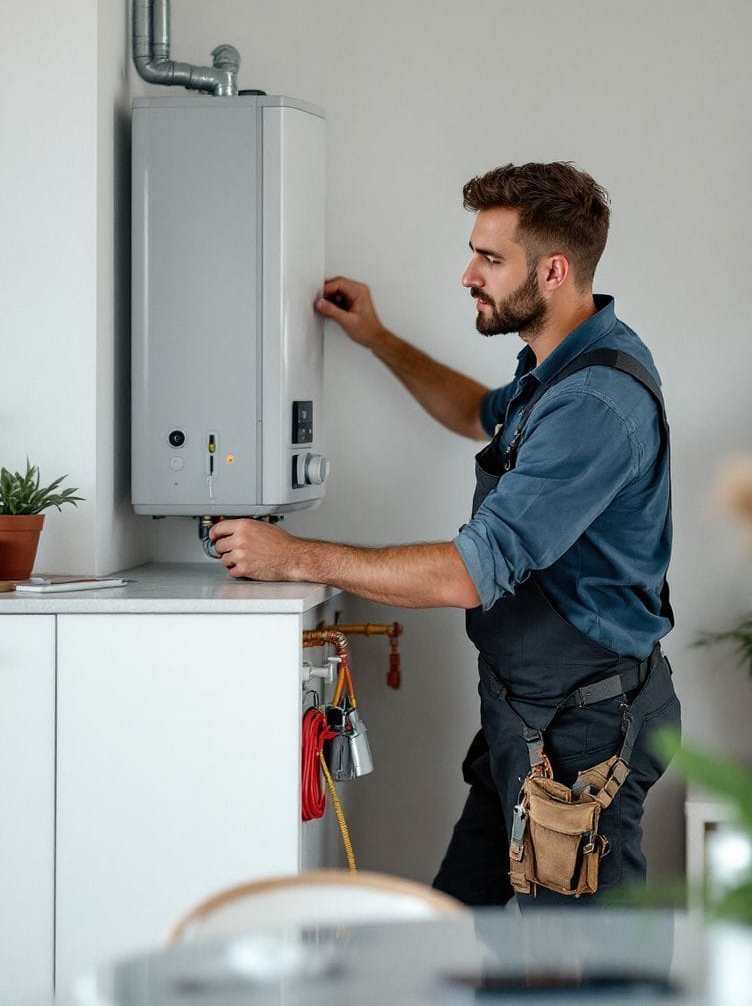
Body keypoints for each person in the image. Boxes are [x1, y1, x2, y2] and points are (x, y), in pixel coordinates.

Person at [210, 161, 681, 905]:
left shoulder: (595, 401)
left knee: (584, 961)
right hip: (526, 719)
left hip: (583, 738)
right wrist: (377, 338)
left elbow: (468, 572)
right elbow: (473, 410)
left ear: (553, 271)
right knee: (462, 927)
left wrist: (294, 556)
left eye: (490, 259)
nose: (469, 275)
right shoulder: (555, 369)